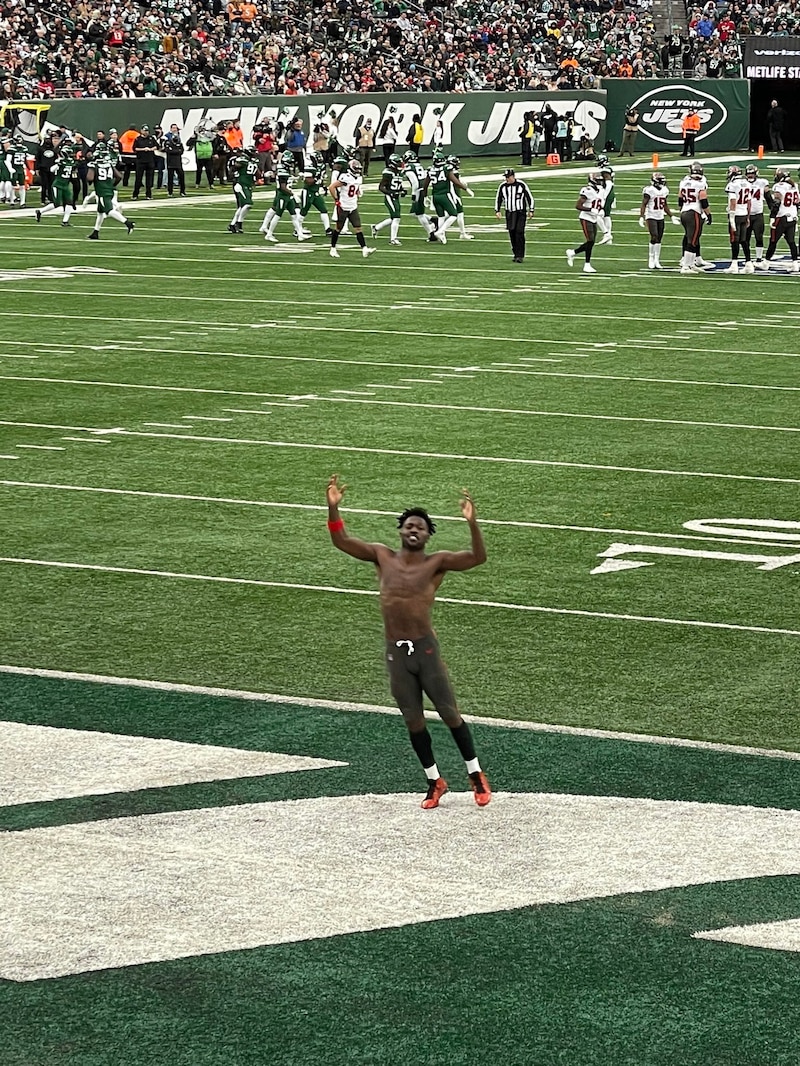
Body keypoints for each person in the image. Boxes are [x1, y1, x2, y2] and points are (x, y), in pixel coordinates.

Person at [325, 474, 491, 810]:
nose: (414, 530)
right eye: (409, 525)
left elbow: (477, 557)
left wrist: (473, 523)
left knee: (449, 713)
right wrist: (333, 508)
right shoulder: (381, 556)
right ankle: (434, 781)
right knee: (412, 719)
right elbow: (341, 541)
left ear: (429, 535)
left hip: (426, 650)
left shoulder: (437, 563)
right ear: (400, 530)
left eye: (421, 527)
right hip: (396, 653)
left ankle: (475, 774)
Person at [85, 141, 134, 240]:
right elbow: (119, 177)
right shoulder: (109, 164)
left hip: (102, 192)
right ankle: (95, 232)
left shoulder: (94, 165)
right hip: (109, 190)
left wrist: (92, 174)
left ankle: (128, 223)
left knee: (109, 211)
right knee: (100, 212)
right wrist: (111, 185)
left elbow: (89, 178)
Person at [328, 157, 376, 258]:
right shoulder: (345, 177)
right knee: (338, 229)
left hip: (353, 206)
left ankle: (364, 249)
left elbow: (355, 189)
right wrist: (336, 200)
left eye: (359, 169)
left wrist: (357, 192)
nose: (358, 171)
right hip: (343, 206)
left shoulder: (358, 178)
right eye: (356, 169)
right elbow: (332, 187)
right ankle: (332, 248)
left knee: (358, 228)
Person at [260, 150, 310, 243]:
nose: (291, 164)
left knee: (294, 215)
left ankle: (300, 234)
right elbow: (283, 187)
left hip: (287, 195)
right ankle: (269, 234)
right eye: (290, 162)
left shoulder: (284, 169)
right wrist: (293, 194)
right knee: (278, 215)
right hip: (283, 196)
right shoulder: (282, 171)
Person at [639, 171, 680, 270]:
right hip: (651, 215)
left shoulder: (665, 190)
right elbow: (644, 204)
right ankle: (651, 258)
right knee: (654, 236)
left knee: (659, 238)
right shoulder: (649, 190)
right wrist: (641, 216)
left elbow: (665, 204)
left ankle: (657, 259)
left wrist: (671, 216)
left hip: (660, 216)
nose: (662, 183)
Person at [566, 171, 605, 274]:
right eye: (598, 181)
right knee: (590, 240)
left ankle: (573, 253)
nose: (600, 182)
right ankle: (586, 264)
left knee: (591, 242)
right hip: (586, 217)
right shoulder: (587, 190)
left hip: (594, 218)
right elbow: (578, 206)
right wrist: (590, 210)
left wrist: (601, 210)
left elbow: (599, 203)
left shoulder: (600, 190)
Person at [678, 161, 712, 274]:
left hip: (684, 211)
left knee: (691, 237)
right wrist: (708, 214)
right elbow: (703, 201)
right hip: (694, 212)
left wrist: (682, 210)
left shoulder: (684, 182)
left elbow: (680, 198)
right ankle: (686, 266)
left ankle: (691, 264)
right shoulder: (700, 184)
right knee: (692, 240)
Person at [495, 168, 535, 263]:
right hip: (509, 212)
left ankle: (520, 255)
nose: (507, 179)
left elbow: (529, 197)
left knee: (519, 232)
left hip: (520, 212)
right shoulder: (503, 186)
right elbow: (498, 198)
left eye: (508, 177)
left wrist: (531, 210)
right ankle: (515, 253)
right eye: (506, 177)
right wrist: (497, 210)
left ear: (513, 176)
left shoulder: (521, 185)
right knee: (512, 233)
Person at [764, 166, 799, 272]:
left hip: (781, 217)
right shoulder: (794, 185)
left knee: (773, 240)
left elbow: (777, 203)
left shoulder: (779, 186)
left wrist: (772, 217)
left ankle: (766, 262)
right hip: (792, 217)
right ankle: (795, 263)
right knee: (791, 241)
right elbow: (797, 203)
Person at [371, 153, 406, 245]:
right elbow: (381, 187)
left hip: (395, 197)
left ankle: (376, 227)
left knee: (394, 217)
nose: (400, 164)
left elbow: (398, 184)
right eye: (398, 162)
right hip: (389, 197)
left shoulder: (398, 172)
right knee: (396, 217)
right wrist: (390, 193)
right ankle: (393, 239)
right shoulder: (388, 172)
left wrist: (402, 190)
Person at [724, 165, 752, 274]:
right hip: (744, 213)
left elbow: (733, 202)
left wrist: (731, 217)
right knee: (744, 240)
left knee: (734, 240)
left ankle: (734, 264)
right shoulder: (747, 184)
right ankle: (748, 263)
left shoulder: (733, 185)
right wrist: (748, 216)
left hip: (736, 215)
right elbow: (749, 202)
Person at [227, 145, 260, 234]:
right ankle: (239, 223)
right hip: (241, 184)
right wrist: (234, 176)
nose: (255, 153)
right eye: (253, 151)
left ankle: (233, 224)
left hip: (248, 185)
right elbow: (233, 168)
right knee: (248, 204)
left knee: (242, 206)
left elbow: (257, 173)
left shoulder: (251, 161)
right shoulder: (242, 160)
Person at [744, 164, 770, 270]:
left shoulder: (762, 183)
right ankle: (748, 260)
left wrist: (773, 209)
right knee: (746, 238)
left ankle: (759, 259)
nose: (750, 176)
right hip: (746, 214)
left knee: (759, 237)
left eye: (752, 173)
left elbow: (768, 197)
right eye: (749, 174)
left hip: (758, 214)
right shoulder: (742, 183)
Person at [132, 124, 157, 199]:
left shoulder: (151, 138)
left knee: (149, 179)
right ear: (141, 131)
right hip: (141, 161)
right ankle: (135, 194)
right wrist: (143, 149)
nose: (146, 132)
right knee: (138, 178)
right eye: (144, 131)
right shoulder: (138, 139)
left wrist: (151, 149)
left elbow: (156, 146)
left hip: (150, 160)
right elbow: (134, 149)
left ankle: (148, 194)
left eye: (147, 131)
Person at [164, 124, 186, 195]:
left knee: (181, 176)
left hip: (178, 163)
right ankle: (170, 192)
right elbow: (168, 151)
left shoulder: (179, 144)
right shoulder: (168, 142)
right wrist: (176, 151)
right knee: (170, 178)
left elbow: (181, 151)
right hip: (170, 162)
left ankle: (182, 191)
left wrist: (174, 151)